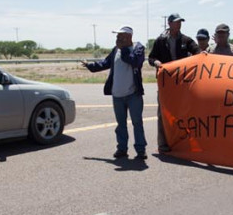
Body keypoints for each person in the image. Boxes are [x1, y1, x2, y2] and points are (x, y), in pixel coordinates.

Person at [84, 26, 147, 160]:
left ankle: (141, 150)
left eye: (120, 36)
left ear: (129, 37)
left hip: (133, 95)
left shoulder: (138, 48)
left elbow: (135, 61)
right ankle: (122, 149)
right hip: (117, 95)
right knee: (121, 125)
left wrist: (123, 49)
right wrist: (91, 66)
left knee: (137, 123)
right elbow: (105, 63)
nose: (117, 39)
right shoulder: (116, 50)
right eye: (117, 36)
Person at [149, 13, 199, 152]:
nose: (179, 24)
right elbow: (151, 58)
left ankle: (184, 142)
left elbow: (197, 52)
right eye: (176, 22)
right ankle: (163, 143)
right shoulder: (160, 40)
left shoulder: (186, 40)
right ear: (169, 24)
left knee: (184, 113)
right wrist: (156, 62)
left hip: (182, 83)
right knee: (163, 114)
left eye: (180, 22)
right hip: (166, 83)